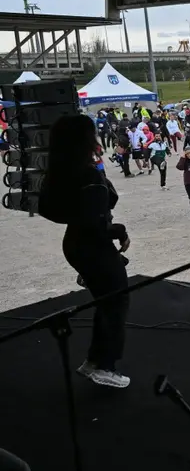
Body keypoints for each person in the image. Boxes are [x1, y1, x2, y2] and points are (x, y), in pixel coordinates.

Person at [38, 115, 131, 388]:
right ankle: (105, 366)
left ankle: (93, 361)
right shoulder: (87, 175)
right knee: (115, 304)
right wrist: (119, 231)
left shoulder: (61, 172)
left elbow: (48, 209)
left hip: (77, 243)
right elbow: (95, 222)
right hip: (93, 245)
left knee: (106, 303)